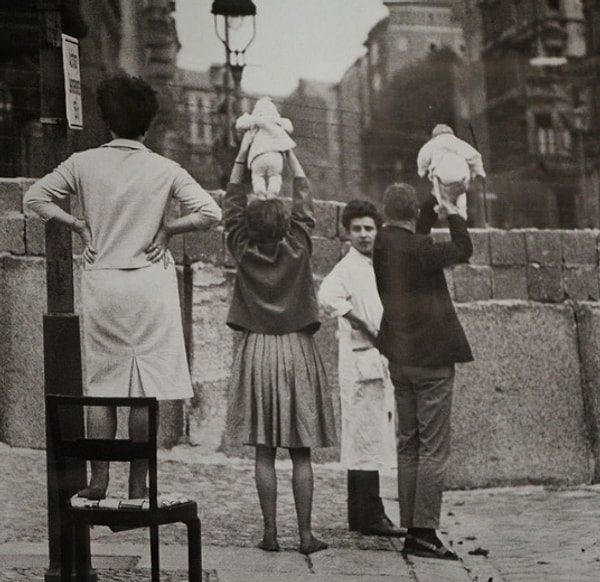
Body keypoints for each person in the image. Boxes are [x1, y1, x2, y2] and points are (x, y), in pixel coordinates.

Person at [24, 74, 222, 500]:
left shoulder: (83, 164)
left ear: (106, 121)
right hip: (150, 284)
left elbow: (34, 199)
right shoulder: (165, 168)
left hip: (104, 282)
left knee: (103, 386)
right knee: (142, 391)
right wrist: (169, 229)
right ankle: (138, 482)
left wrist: (78, 225)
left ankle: (98, 480)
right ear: (146, 125)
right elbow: (210, 212)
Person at [223, 142, 336, 555]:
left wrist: (242, 155)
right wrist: (288, 154)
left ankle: (270, 533)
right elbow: (305, 202)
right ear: (287, 223)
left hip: (256, 351)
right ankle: (306, 536)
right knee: (301, 451)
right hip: (296, 350)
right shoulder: (300, 245)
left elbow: (231, 205)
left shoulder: (241, 247)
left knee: (264, 452)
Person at [373, 183, 473, 560]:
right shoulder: (421, 249)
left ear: (384, 213)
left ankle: (411, 527)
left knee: (408, 444)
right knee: (433, 449)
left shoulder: (382, 243)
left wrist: (436, 197)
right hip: (431, 360)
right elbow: (464, 248)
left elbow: (417, 231)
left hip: (399, 357)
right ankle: (425, 532)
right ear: (413, 214)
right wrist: (455, 212)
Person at [318, 200, 403, 538]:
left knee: (368, 437)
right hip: (360, 360)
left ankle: (360, 513)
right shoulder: (347, 267)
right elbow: (327, 298)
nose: (364, 235)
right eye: (357, 229)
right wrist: (361, 320)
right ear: (347, 232)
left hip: (376, 359)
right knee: (365, 437)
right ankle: (371, 514)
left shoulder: (376, 264)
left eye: (369, 228)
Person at [416, 123, 486, 221]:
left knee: (438, 188)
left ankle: (442, 205)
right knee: (461, 192)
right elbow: (475, 156)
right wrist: (479, 172)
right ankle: (462, 210)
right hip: (462, 177)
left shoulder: (433, 143)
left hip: (442, 178)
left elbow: (422, 157)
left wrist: (421, 171)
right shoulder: (458, 143)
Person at [235, 96, 296, 198]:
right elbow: (289, 128)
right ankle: (273, 191)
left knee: (257, 176)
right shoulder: (276, 120)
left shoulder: (254, 120)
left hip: (258, 155)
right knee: (275, 175)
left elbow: (239, 125)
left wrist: (252, 120)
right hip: (275, 155)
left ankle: (259, 191)